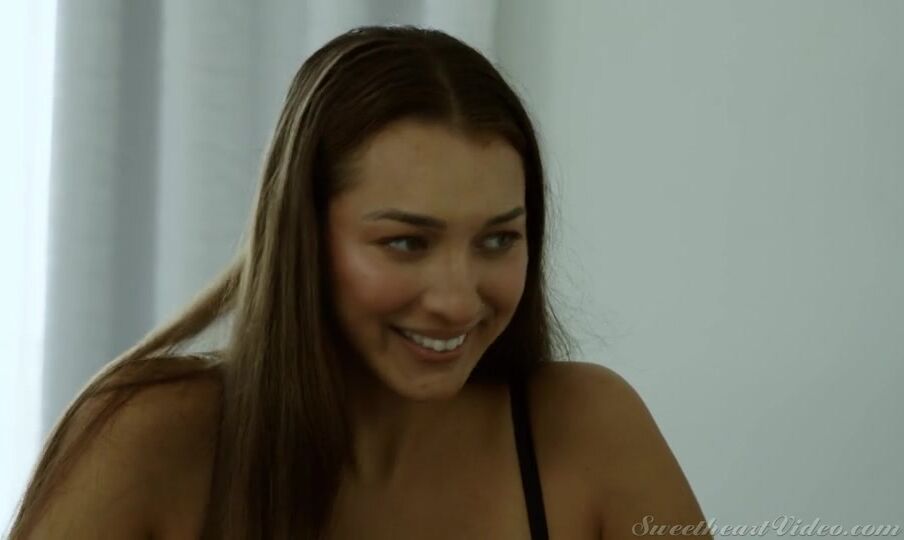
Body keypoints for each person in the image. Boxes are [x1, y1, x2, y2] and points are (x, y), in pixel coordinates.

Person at [8, 25, 709, 539]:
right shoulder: (145, 438)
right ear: (303, 239)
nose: (457, 299)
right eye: (406, 242)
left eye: (498, 240)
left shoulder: (587, 430)